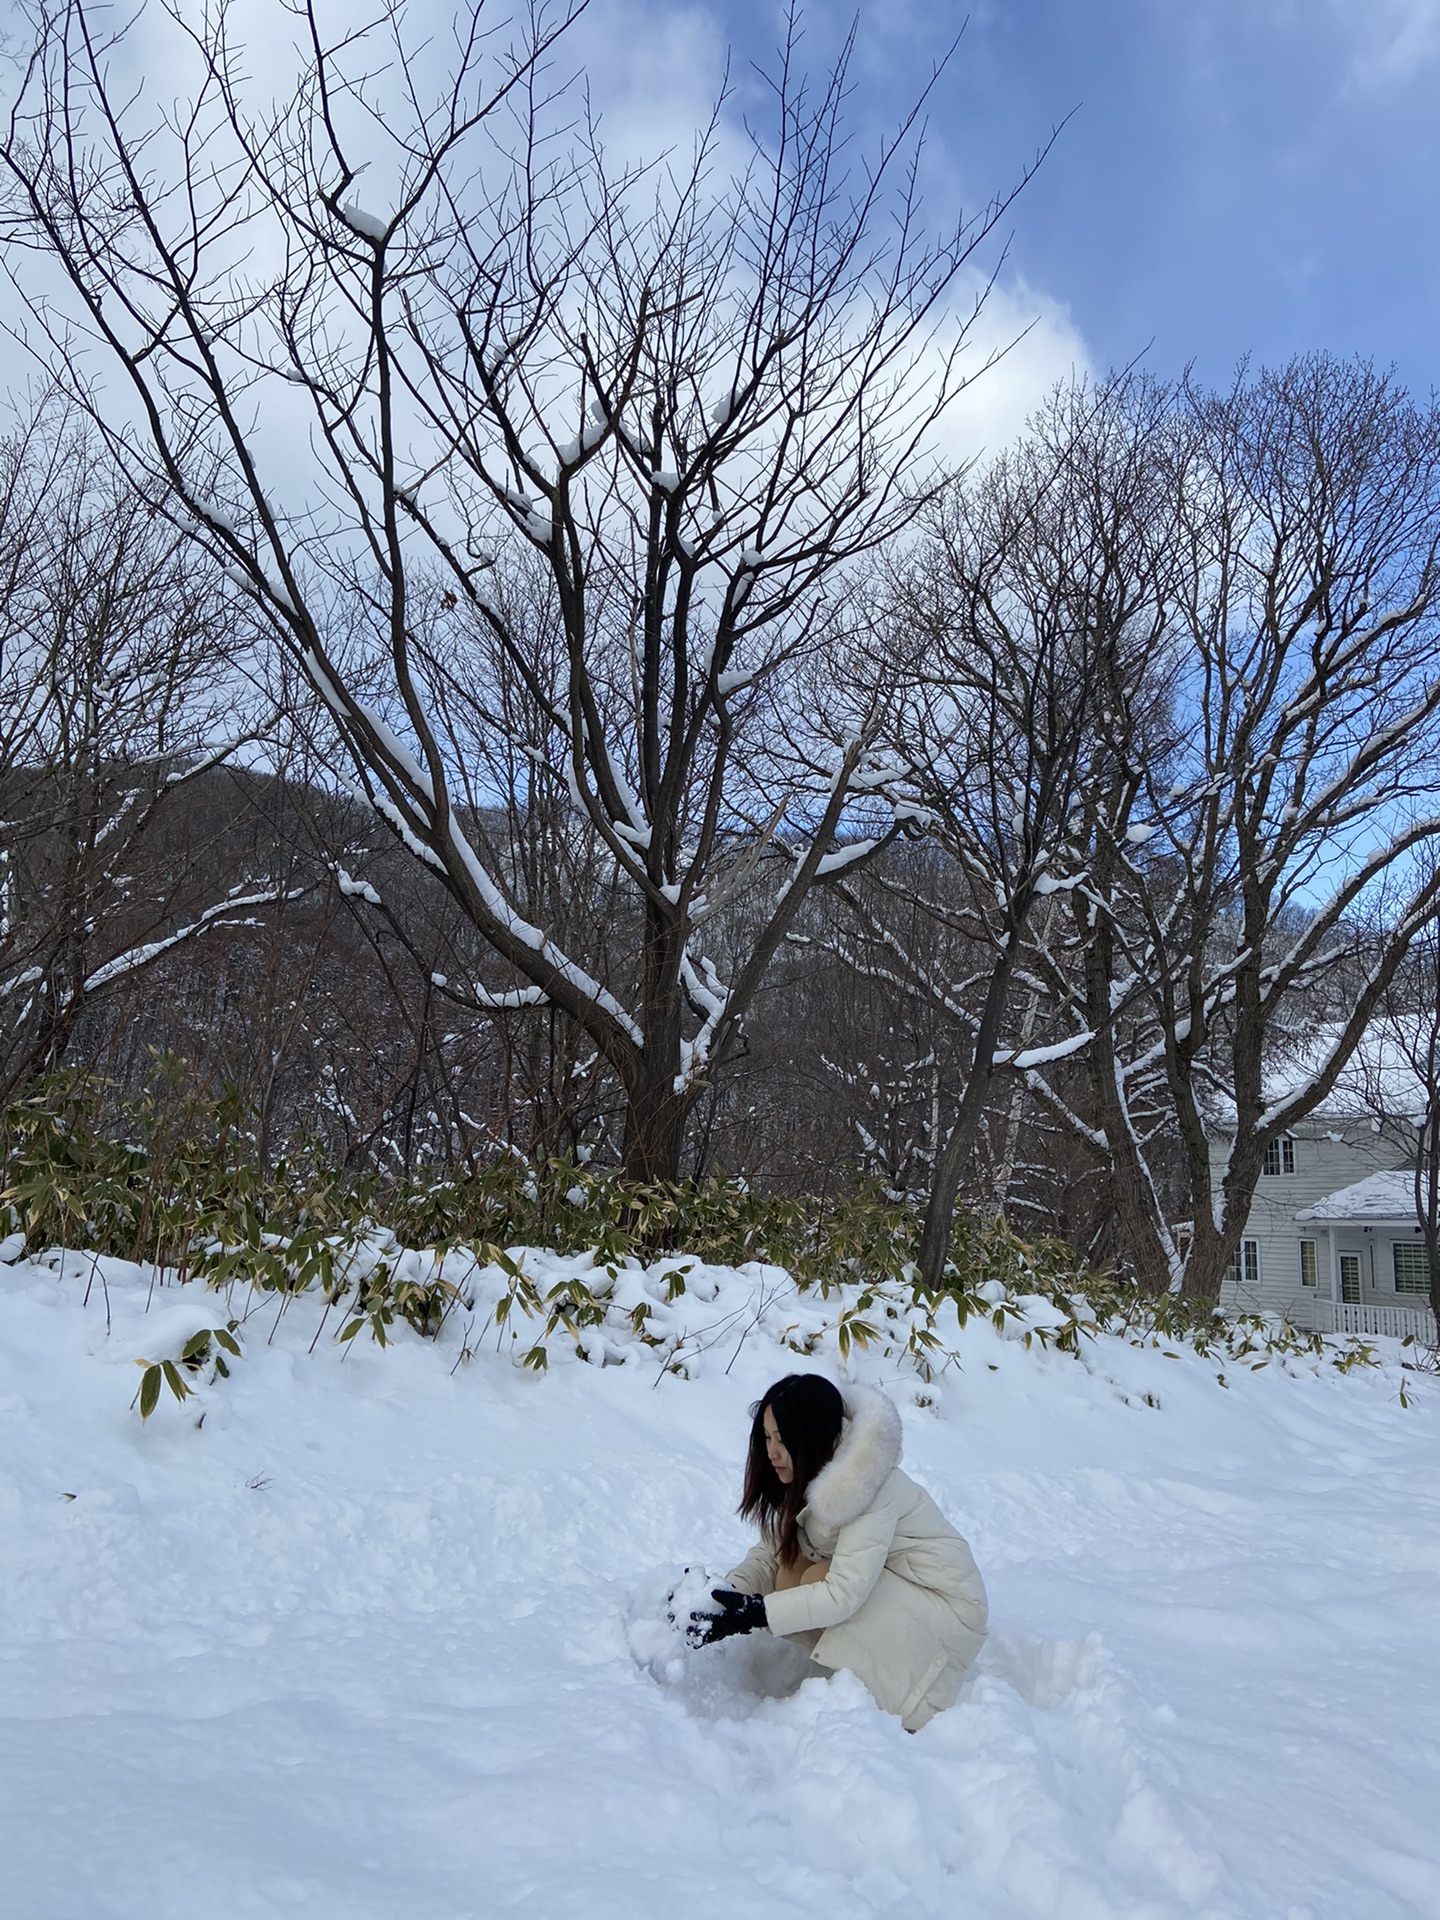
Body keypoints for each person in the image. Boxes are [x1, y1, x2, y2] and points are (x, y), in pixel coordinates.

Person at [686, 1373, 988, 1733]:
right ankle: (859, 1666)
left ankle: (900, 1699)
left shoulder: (867, 1484)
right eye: (766, 1437)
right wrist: (726, 1596)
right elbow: (769, 1554)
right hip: (905, 1593)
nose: (772, 1452)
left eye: (783, 1439)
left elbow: (844, 1593)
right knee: (789, 1570)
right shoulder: (807, 1471)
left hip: (949, 1614)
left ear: (811, 1436)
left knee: (816, 1580)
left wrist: (759, 1614)